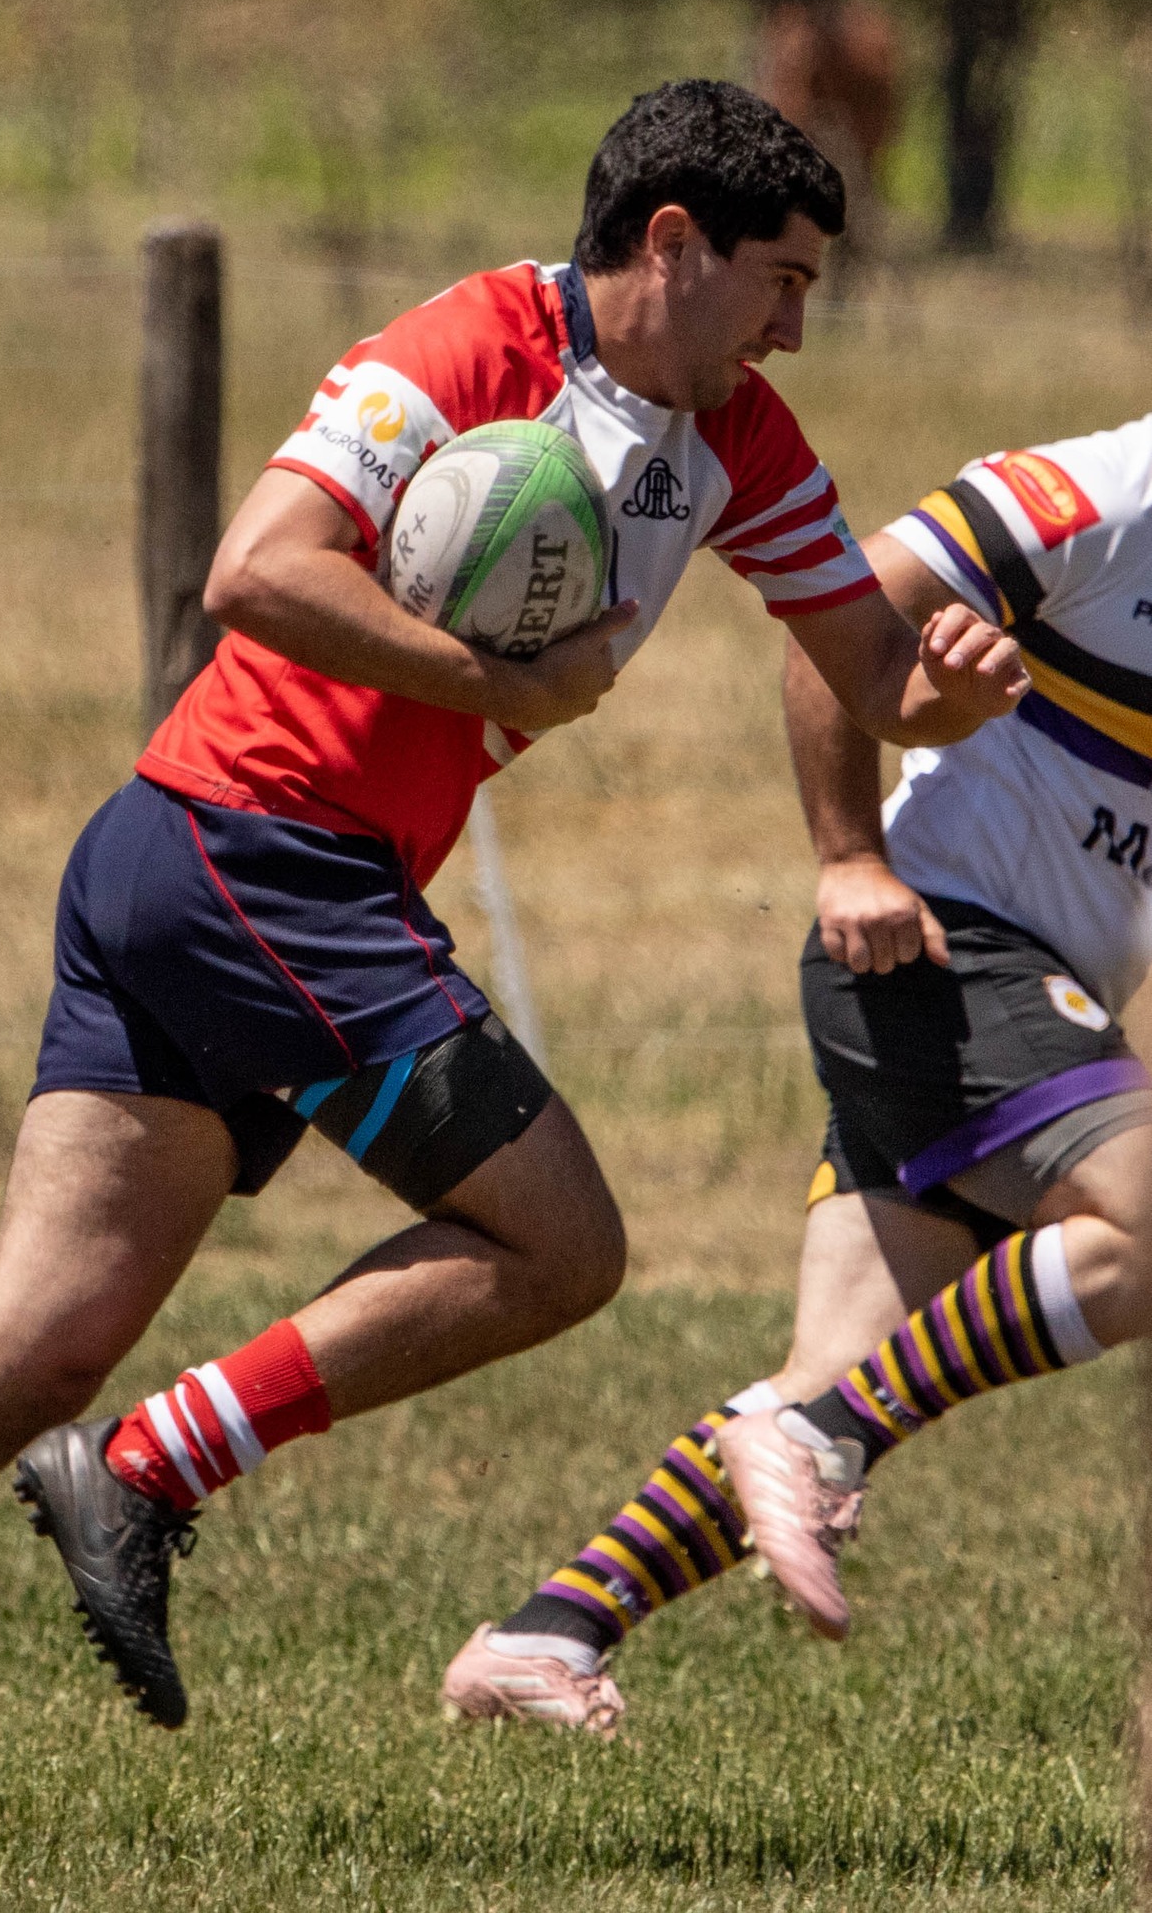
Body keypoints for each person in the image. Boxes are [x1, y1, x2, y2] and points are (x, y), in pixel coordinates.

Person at [0, 80, 1023, 1836]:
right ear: (670, 245)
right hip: (252, 849)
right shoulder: (473, 342)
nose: (800, 322)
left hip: (213, 868)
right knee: (562, 1245)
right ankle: (156, 1464)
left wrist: (940, 689)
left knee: (29, 1344)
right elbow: (253, 572)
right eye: (782, 279)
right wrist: (499, 685)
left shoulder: (744, 436)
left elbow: (873, 670)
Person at [442, 417, 1151, 1725]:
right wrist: (849, 855)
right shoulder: (1107, 493)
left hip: (1013, 1012)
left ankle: (552, 1633)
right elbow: (847, 616)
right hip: (938, 954)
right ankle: (833, 1438)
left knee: (833, 1363)